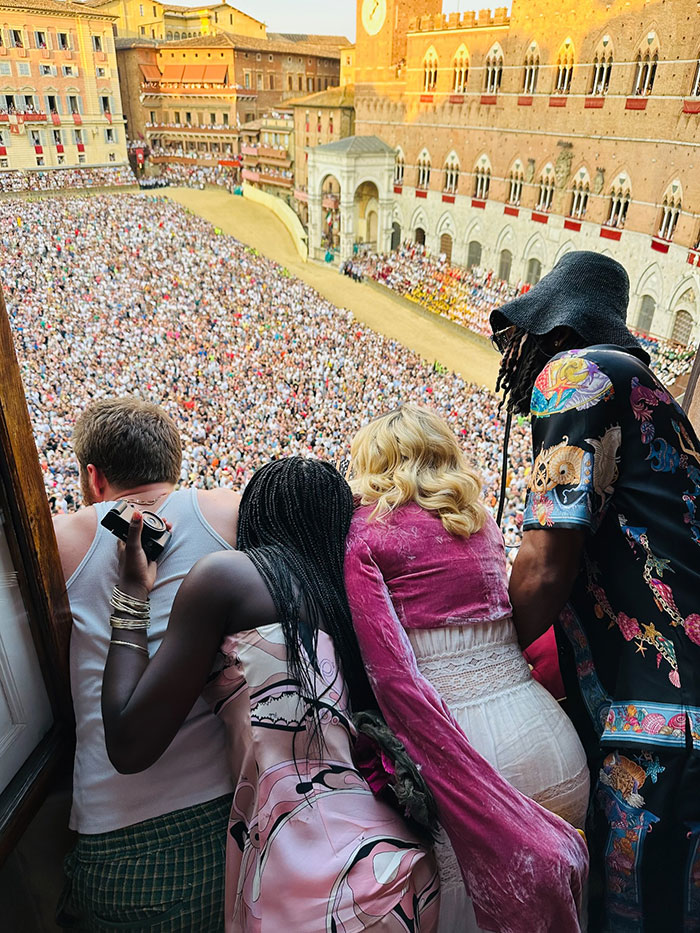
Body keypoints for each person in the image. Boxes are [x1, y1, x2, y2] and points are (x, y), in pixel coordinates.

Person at [101, 457, 440, 933]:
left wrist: (132, 593)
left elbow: (128, 743)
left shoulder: (227, 578)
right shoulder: (350, 607)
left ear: (254, 519)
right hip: (402, 868)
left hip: (310, 880)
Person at [490, 250, 700, 932]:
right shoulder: (649, 392)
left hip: (657, 727)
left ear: (554, 331)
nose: (511, 359)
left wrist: (480, 664)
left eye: (515, 339)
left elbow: (545, 563)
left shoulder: (575, 374)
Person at [344, 405, 589, 933]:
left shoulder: (366, 533)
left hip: (468, 748)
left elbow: (394, 677)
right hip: (550, 738)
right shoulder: (478, 523)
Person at [54, 397, 239, 932]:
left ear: (94, 478)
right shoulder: (225, 511)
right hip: (232, 814)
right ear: (175, 468)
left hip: (119, 840)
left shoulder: (60, 539)